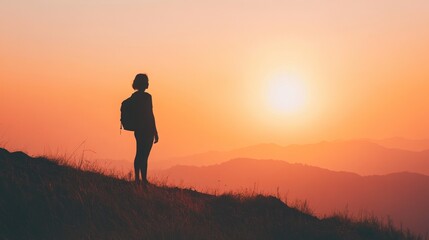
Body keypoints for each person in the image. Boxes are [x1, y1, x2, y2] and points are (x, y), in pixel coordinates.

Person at [131, 73, 159, 185]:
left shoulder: (134, 97)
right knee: (145, 155)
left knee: (139, 153)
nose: (148, 83)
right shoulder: (147, 97)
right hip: (147, 129)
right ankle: (144, 179)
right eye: (147, 81)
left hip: (138, 129)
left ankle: (137, 178)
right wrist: (155, 131)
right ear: (144, 83)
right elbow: (150, 114)